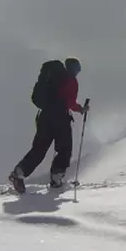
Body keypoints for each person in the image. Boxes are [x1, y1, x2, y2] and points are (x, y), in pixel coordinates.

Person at [9, 57, 89, 193]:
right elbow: (69, 102)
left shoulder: (53, 78)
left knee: (39, 149)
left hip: (44, 117)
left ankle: (19, 173)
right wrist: (81, 109)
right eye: (78, 70)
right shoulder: (70, 80)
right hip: (60, 117)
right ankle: (56, 177)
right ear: (74, 69)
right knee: (64, 148)